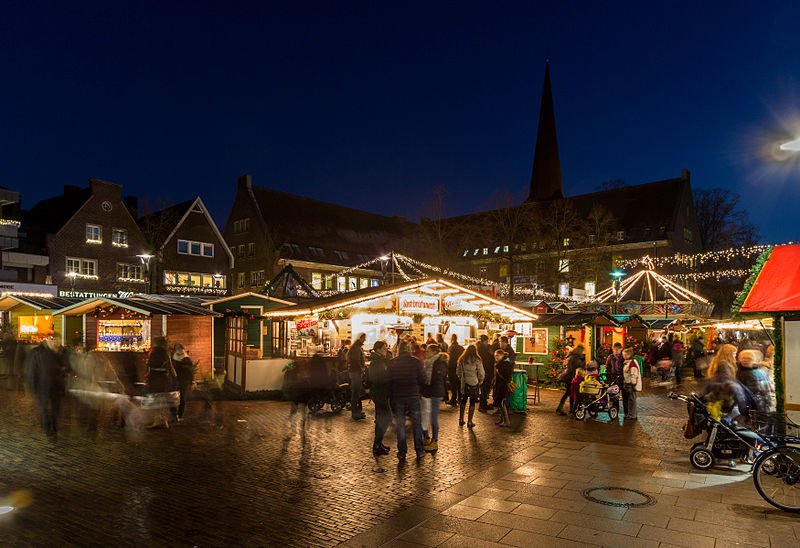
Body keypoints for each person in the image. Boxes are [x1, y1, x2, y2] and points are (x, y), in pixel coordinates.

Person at [387, 339, 426, 459]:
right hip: (413, 394)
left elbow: (388, 380)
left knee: (400, 424)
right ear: (409, 350)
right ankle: (419, 450)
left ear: (398, 350)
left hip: (398, 395)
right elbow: (423, 378)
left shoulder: (393, 362)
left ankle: (402, 451)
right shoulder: (416, 362)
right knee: (417, 423)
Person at [25, 337, 67, 441]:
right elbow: (31, 370)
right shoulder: (36, 353)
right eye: (51, 340)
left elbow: (62, 368)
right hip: (42, 387)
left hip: (55, 387)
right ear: (46, 341)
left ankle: (52, 427)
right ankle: (47, 429)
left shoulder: (56, 353)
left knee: (55, 409)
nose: (54, 342)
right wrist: (32, 386)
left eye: (54, 340)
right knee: (44, 409)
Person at [420, 344, 448, 452]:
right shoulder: (428, 363)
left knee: (433, 417)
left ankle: (435, 440)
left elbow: (438, 377)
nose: (426, 353)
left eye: (428, 351)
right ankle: (426, 438)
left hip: (435, 392)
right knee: (425, 416)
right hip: (427, 391)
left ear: (434, 352)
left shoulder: (440, 362)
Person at [146, 336, 177, 428]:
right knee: (161, 397)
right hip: (163, 377)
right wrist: (174, 376)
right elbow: (170, 366)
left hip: (155, 377)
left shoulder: (155, 353)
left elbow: (150, 365)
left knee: (156, 398)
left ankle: (158, 420)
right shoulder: (165, 353)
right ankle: (163, 419)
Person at [368, 340, 392, 455]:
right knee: (386, 418)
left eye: (386, 348)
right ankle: (377, 444)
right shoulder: (377, 362)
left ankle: (378, 443)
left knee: (381, 419)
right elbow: (377, 379)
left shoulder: (380, 361)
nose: (386, 350)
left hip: (381, 393)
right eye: (384, 348)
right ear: (378, 350)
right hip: (380, 393)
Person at [457, 344, 484, 428]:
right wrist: (479, 381)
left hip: (465, 383)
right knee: (472, 402)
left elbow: (458, 372)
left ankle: (461, 419)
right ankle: (470, 421)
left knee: (463, 401)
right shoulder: (477, 360)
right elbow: (481, 373)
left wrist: (462, 379)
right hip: (474, 383)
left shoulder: (462, 359)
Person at [556, 345, 584, 416]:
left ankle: (567, 409)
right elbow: (572, 369)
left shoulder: (571, 356)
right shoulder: (574, 358)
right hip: (570, 377)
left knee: (569, 393)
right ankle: (569, 409)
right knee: (569, 393)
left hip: (568, 377)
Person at [171, 343, 195, 421]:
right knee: (173, 397)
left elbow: (191, 372)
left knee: (182, 398)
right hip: (175, 380)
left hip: (184, 380)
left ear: (183, 350)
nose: (180, 351)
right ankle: (175, 415)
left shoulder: (187, 359)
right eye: (178, 349)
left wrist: (191, 382)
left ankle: (180, 415)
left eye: (181, 349)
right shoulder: (173, 358)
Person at [347, 333, 367, 420]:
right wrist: (362, 368)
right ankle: (355, 412)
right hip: (355, 372)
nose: (365, 340)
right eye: (364, 338)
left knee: (357, 391)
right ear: (361, 338)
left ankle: (356, 410)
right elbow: (356, 361)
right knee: (356, 392)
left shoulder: (356, 347)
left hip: (354, 372)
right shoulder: (356, 349)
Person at [494, 349, 514, 427]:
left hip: (503, 387)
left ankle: (506, 421)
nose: (496, 357)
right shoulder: (500, 364)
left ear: (502, 355)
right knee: (500, 404)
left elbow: (506, 377)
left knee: (502, 404)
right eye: (495, 355)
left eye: (498, 355)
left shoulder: (505, 364)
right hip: (500, 386)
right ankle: (503, 420)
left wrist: (498, 369)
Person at [622, 348, 642, 420]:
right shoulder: (628, 362)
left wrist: (632, 384)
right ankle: (631, 414)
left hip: (631, 385)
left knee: (632, 400)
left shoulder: (631, 363)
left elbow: (634, 374)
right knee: (630, 400)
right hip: (629, 384)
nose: (623, 356)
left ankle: (632, 415)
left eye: (624, 355)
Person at [477, 335, 494, 412]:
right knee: (484, 389)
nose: (487, 342)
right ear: (484, 341)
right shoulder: (482, 349)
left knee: (485, 389)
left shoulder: (482, 348)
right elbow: (486, 360)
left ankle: (484, 404)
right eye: (487, 341)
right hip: (485, 371)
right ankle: (482, 405)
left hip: (486, 370)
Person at [446, 334, 463, 406]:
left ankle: (453, 399)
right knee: (459, 384)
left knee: (453, 385)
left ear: (452, 339)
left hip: (452, 368)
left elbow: (449, 359)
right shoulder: (461, 347)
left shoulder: (451, 348)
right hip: (459, 368)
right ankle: (460, 399)